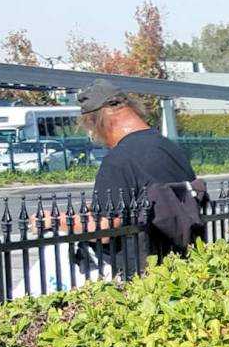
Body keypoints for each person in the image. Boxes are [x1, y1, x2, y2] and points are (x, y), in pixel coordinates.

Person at [76, 78, 206, 263]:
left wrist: (59, 221)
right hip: (180, 262)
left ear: (94, 121)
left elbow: (104, 229)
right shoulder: (171, 148)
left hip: (137, 275)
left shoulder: (118, 160)